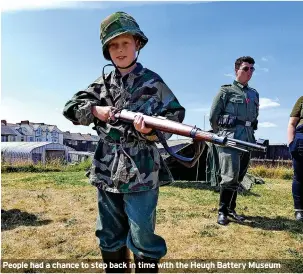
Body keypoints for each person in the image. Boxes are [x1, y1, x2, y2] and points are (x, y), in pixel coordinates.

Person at [63, 11, 185, 273]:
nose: (120, 50)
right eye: (113, 45)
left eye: (125, 43)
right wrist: (97, 111)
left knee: (143, 236)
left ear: (137, 44)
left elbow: (174, 116)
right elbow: (70, 107)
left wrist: (150, 132)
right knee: (108, 233)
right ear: (107, 50)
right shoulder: (101, 84)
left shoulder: (153, 81)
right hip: (107, 168)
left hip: (142, 171)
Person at [209, 56, 259, 225]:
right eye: (246, 68)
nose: (249, 72)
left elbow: (254, 118)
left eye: (252, 69)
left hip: (247, 140)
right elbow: (213, 116)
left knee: (239, 177)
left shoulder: (254, 94)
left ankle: (231, 209)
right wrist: (220, 135)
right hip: (230, 139)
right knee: (229, 176)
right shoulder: (226, 91)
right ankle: (222, 211)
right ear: (237, 70)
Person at [287, 96, 303, 221]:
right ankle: (299, 210)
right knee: (299, 175)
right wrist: (291, 143)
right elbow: (292, 123)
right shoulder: (302, 100)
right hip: (301, 139)